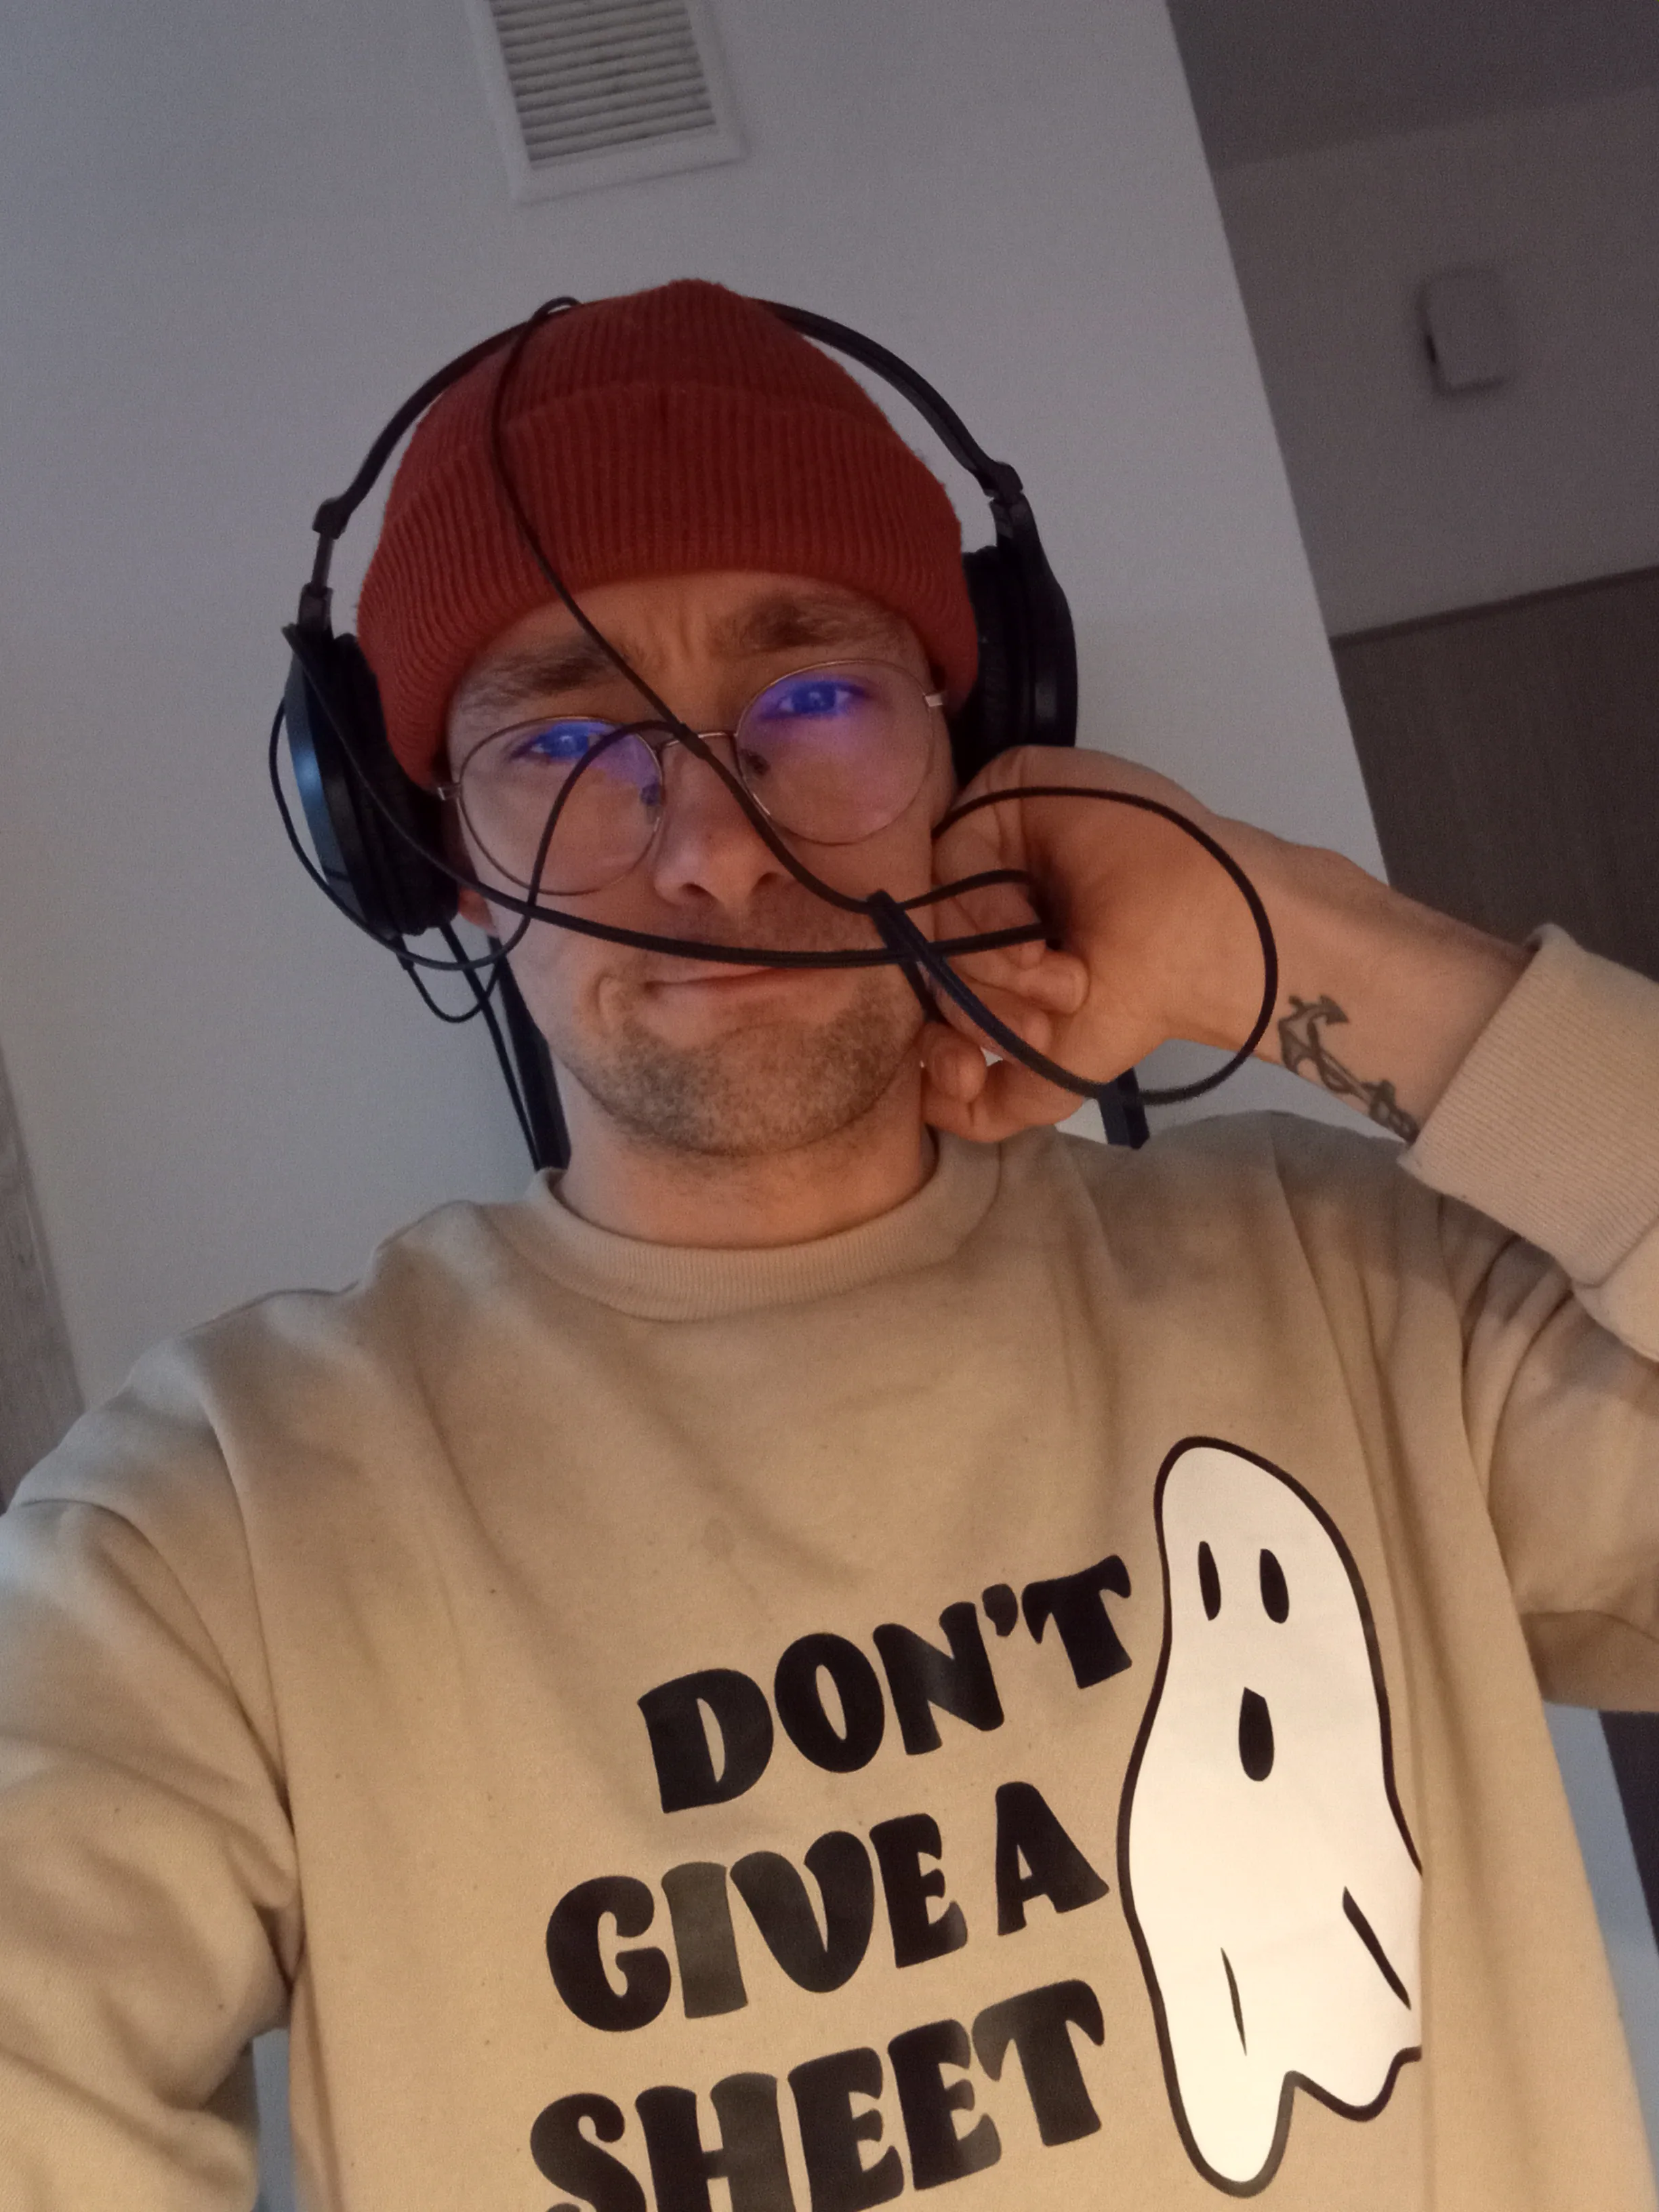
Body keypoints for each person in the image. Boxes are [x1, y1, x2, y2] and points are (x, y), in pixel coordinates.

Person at [1, 278, 1656, 2212]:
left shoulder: (1364, 1297)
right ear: (423, 847)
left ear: (980, 748)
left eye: (812, 704)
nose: (711, 847)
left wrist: (1288, 929)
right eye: (565, 743)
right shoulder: (208, 1528)